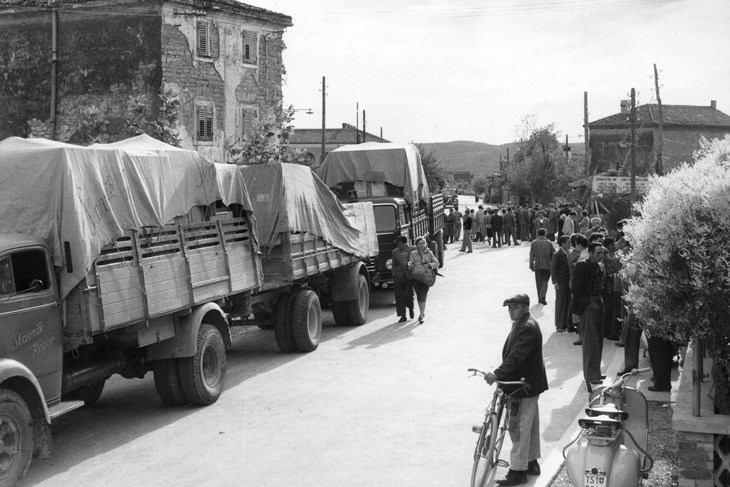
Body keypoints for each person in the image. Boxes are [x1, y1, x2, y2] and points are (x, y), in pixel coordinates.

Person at [485, 293, 548, 486]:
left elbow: (516, 356)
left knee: (519, 428)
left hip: (524, 385)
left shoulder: (527, 327)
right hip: (527, 384)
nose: (511, 311)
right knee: (529, 425)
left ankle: (518, 471)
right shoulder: (523, 323)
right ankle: (531, 463)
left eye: (515, 307)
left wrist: (497, 374)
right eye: (509, 308)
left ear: (525, 308)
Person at [572, 243, 607, 385]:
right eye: (598, 253)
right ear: (590, 253)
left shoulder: (597, 266)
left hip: (598, 302)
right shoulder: (582, 265)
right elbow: (576, 288)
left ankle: (596, 372)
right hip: (589, 305)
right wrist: (588, 303)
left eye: (602, 253)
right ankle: (591, 374)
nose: (601, 255)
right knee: (591, 341)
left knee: (598, 339)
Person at [408, 236, 439, 324]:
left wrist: (429, 265)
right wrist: (410, 264)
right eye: (419, 244)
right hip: (417, 277)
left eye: (422, 243)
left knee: (423, 295)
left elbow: (437, 263)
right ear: (416, 245)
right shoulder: (413, 254)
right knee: (419, 296)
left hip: (426, 278)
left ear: (425, 244)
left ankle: (421, 314)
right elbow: (411, 263)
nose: (421, 245)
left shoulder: (429, 253)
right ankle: (422, 312)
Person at [550, 235, 572, 332]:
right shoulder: (557, 255)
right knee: (560, 303)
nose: (570, 245)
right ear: (562, 243)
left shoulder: (569, 254)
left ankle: (565, 323)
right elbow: (553, 270)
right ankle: (558, 324)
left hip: (568, 282)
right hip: (561, 282)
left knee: (567, 302)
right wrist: (556, 283)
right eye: (568, 243)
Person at [391, 236, 414, 322]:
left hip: (409, 276)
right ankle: (403, 316)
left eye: (400, 244)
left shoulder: (412, 249)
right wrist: (394, 275)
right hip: (399, 276)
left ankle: (411, 308)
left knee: (408, 295)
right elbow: (393, 264)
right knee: (399, 297)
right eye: (397, 244)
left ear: (405, 243)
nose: (398, 246)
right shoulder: (394, 252)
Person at [529, 228, 554, 305]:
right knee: (545, 282)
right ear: (545, 234)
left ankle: (539, 297)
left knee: (538, 282)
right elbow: (553, 254)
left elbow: (531, 255)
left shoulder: (534, 243)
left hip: (538, 265)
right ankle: (542, 297)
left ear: (537, 234)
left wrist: (531, 265)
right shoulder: (549, 243)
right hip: (547, 265)